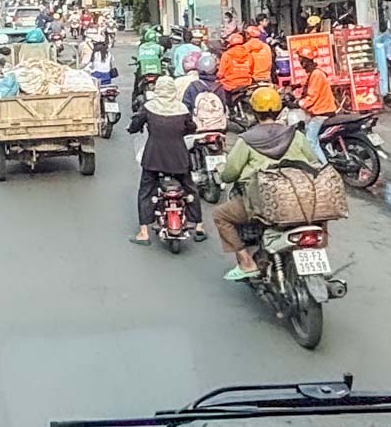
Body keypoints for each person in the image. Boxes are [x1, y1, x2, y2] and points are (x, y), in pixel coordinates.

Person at [211, 86, 320, 280]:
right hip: (299, 199)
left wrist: (223, 172)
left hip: (263, 203)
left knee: (220, 215)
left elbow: (229, 174)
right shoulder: (296, 136)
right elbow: (313, 163)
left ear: (253, 111)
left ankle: (246, 262)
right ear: (279, 110)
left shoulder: (246, 140)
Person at [126, 75, 203, 244]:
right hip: (179, 158)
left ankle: (144, 233)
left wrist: (131, 128)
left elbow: (136, 124)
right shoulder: (182, 109)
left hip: (154, 158)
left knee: (146, 191)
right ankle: (199, 227)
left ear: (158, 90)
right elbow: (191, 127)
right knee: (190, 188)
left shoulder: (149, 107)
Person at [291, 54, 339, 158]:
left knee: (310, 141)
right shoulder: (313, 73)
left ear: (306, 62)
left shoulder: (317, 74)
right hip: (320, 111)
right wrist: (295, 86)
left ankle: (324, 166)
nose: (301, 65)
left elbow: (312, 97)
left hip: (321, 112)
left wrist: (298, 104)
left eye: (301, 62)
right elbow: (307, 82)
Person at [183, 53, 228, 132]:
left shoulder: (193, 86)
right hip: (218, 126)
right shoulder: (219, 87)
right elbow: (223, 107)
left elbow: (186, 106)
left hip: (199, 125)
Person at [216, 31, 256, 99]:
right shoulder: (249, 55)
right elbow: (251, 71)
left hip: (230, 85)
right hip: (246, 84)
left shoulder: (227, 55)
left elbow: (221, 73)